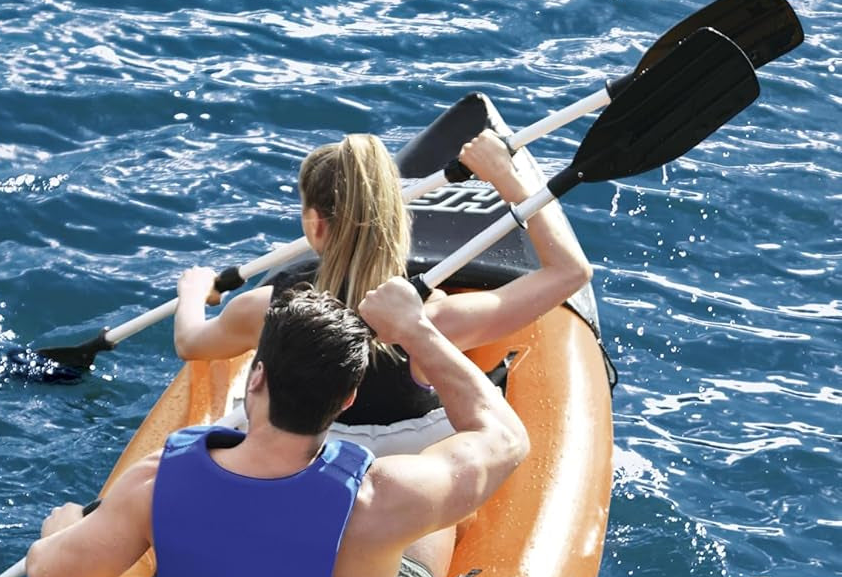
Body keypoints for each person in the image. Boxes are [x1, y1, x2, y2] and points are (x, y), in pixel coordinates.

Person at [26, 277, 529, 577]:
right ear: (348, 399)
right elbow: (507, 440)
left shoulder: (155, 483)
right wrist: (416, 330)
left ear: (256, 377)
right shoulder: (387, 496)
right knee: (438, 517)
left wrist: (64, 526)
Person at [173, 129, 591, 439]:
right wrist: (509, 179)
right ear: (399, 219)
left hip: (297, 458)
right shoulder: (435, 321)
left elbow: (191, 342)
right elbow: (569, 272)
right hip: (399, 470)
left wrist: (194, 291)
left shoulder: (263, 310)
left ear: (315, 225)